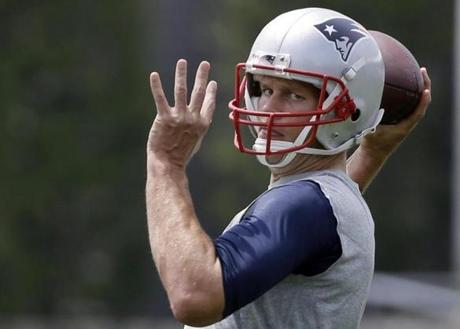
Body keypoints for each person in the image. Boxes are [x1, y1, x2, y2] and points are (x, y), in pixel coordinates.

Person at [145, 7, 431, 329]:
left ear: (350, 111)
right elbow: (319, 219)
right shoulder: (322, 202)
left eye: (293, 95)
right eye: (265, 90)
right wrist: (372, 153)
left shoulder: (306, 204)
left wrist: (166, 164)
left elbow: (194, 297)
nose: (268, 109)